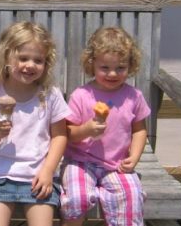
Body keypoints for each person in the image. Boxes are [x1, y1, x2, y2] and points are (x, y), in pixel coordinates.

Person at [0, 21, 69, 226]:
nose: (30, 65)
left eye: (38, 60)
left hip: (38, 176)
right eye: (23, 58)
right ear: (6, 56)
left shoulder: (49, 94)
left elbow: (60, 135)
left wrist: (48, 171)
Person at [60, 27, 150, 226]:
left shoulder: (134, 96)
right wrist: (86, 130)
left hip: (117, 165)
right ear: (92, 65)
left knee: (131, 197)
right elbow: (67, 133)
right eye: (105, 68)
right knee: (77, 199)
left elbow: (139, 130)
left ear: (131, 65)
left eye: (120, 68)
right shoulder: (81, 95)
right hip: (80, 162)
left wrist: (133, 157)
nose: (112, 73)